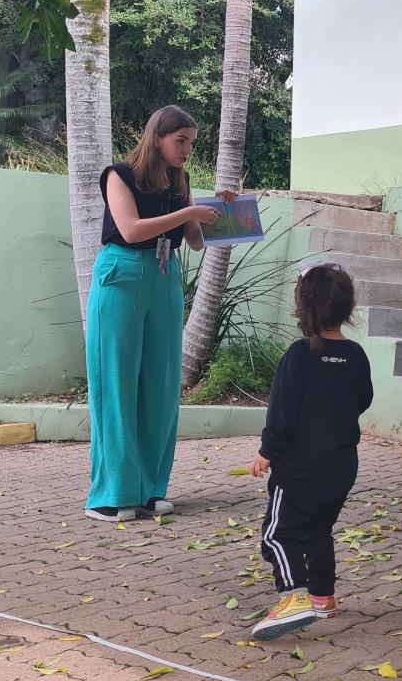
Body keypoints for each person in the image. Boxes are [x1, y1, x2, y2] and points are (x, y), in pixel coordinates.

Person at [85, 106, 233, 522]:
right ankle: (109, 495)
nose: (187, 149)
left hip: (166, 277)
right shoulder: (119, 175)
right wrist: (188, 211)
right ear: (158, 138)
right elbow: (130, 229)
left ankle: (150, 490)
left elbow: (197, 242)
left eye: (191, 142)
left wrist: (219, 210)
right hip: (122, 273)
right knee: (116, 382)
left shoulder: (178, 182)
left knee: (161, 385)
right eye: (180, 140)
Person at [249, 261, 372, 640]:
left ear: (302, 308)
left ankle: (293, 595)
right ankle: (322, 598)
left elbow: (281, 411)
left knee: (277, 534)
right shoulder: (356, 354)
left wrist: (267, 450)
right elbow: (363, 399)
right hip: (340, 467)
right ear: (347, 309)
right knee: (319, 530)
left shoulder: (299, 355)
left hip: (299, 469)